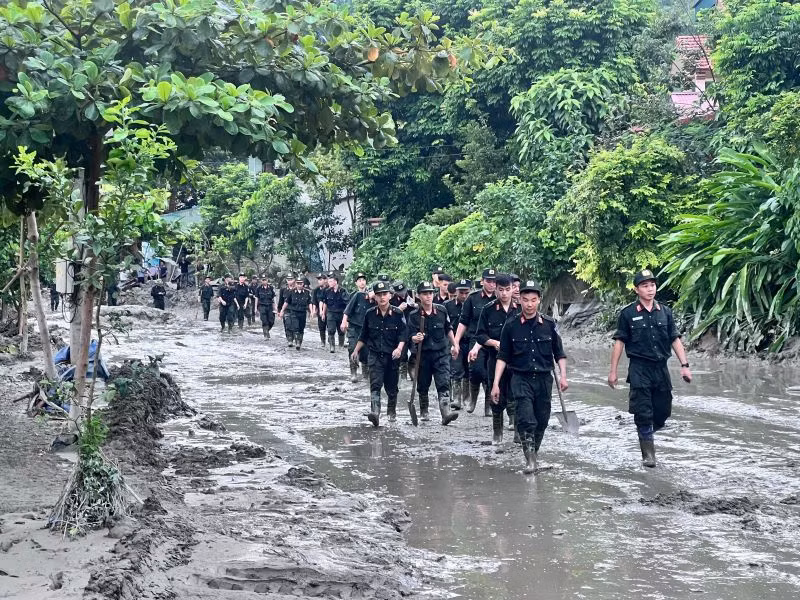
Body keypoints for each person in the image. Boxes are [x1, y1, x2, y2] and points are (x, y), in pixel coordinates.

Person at [608, 269, 692, 468]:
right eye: (645, 286)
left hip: (661, 369)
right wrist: (613, 371)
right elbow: (619, 342)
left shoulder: (665, 312)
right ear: (636, 289)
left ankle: (645, 432)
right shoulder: (628, 313)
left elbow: (675, 339)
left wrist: (685, 365)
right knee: (643, 412)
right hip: (639, 369)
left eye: (652, 285)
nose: (650, 289)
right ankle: (649, 456)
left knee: (663, 412)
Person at [492, 280, 567, 474]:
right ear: (520, 300)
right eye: (525, 300)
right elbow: (502, 357)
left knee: (542, 420)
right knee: (526, 419)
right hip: (520, 378)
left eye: (533, 300)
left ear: (539, 300)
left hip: (544, 379)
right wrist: (496, 384)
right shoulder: (511, 325)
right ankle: (530, 460)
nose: (529, 304)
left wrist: (563, 376)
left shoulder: (549, 325)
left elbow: (559, 353)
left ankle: (534, 453)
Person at [470, 274, 519, 447]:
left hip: (516, 362)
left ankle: (517, 431)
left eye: (507, 289)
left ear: (513, 289)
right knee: (496, 394)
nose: (504, 293)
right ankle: (497, 433)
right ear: (496, 290)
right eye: (501, 290)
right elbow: (480, 335)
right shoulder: (488, 310)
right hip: (494, 359)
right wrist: (494, 343)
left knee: (517, 395)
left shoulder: (520, 309)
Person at [352, 281, 408, 427]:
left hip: (392, 356)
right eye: (379, 295)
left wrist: (399, 349)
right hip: (375, 355)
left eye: (384, 294)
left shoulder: (398, 313)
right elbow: (363, 335)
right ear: (375, 297)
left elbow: (403, 335)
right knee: (375, 384)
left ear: (390, 295)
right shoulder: (370, 314)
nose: (382, 297)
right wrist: (356, 350)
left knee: (391, 387)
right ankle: (375, 413)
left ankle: (391, 413)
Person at [408, 282, 460, 425]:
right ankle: (424, 411)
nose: (428, 296)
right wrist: (415, 338)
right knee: (423, 384)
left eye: (430, 293)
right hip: (423, 355)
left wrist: (455, 345)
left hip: (441, 354)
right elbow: (409, 335)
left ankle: (446, 413)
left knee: (443, 381)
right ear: (419, 296)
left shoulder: (441, 311)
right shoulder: (414, 315)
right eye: (425, 294)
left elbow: (448, 329)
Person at [454, 268, 497, 415]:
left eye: (494, 281)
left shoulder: (499, 298)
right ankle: (473, 398)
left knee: (491, 372)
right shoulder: (472, 298)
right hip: (476, 338)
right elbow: (463, 322)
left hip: (495, 340)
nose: (492, 284)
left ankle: (488, 404)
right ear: (482, 281)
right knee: (476, 370)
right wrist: (456, 342)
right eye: (488, 281)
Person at [444, 279, 471, 410]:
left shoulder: (473, 305)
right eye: (461, 293)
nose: (464, 296)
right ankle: (456, 399)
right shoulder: (447, 306)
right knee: (456, 369)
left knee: (469, 370)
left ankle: (467, 399)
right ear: (456, 292)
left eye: (466, 293)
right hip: (454, 342)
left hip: (470, 341)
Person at [342, 272, 373, 382]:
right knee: (352, 348)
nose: (362, 282)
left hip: (366, 329)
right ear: (356, 283)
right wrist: (344, 322)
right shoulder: (355, 295)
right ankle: (353, 372)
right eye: (359, 280)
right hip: (354, 328)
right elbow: (347, 310)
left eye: (363, 280)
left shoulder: (372, 295)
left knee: (366, 352)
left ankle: (365, 373)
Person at [390, 281, 416, 380]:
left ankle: (412, 366)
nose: (403, 293)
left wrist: (415, 305)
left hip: (413, 328)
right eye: (400, 292)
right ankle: (402, 374)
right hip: (400, 330)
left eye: (404, 291)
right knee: (402, 354)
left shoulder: (412, 295)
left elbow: (423, 306)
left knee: (415, 350)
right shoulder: (392, 300)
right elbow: (389, 315)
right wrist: (398, 309)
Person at [279, 277, 312, 349]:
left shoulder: (307, 292)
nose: (299, 285)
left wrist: (312, 312)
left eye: (301, 283)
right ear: (296, 284)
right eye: (298, 283)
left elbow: (309, 303)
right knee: (295, 328)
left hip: (302, 313)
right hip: (294, 313)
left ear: (303, 284)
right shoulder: (291, 292)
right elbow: (286, 302)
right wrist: (282, 311)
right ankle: (297, 342)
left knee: (301, 328)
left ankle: (299, 341)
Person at [321, 274, 349, 353]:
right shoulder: (327, 291)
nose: (329, 283)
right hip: (331, 313)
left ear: (335, 282)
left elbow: (347, 304)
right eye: (329, 281)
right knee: (331, 330)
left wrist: (346, 317)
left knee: (341, 331)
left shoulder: (343, 291)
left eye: (331, 281)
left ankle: (341, 345)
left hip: (340, 313)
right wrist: (323, 313)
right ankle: (332, 346)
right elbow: (325, 303)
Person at [312, 272, 329, 348]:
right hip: (320, 310)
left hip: (329, 310)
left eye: (321, 279)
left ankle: (331, 340)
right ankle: (323, 341)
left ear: (325, 280)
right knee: (321, 327)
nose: (319, 281)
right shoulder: (316, 290)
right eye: (318, 280)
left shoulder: (329, 289)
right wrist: (314, 311)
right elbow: (314, 301)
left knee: (330, 327)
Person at [278, 273, 296, 340]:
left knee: (295, 325)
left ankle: (294, 337)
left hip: (295, 310)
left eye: (291, 279)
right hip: (286, 309)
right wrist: (279, 311)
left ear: (294, 280)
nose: (289, 281)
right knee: (287, 324)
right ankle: (289, 339)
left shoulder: (297, 289)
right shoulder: (283, 289)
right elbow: (281, 301)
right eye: (288, 280)